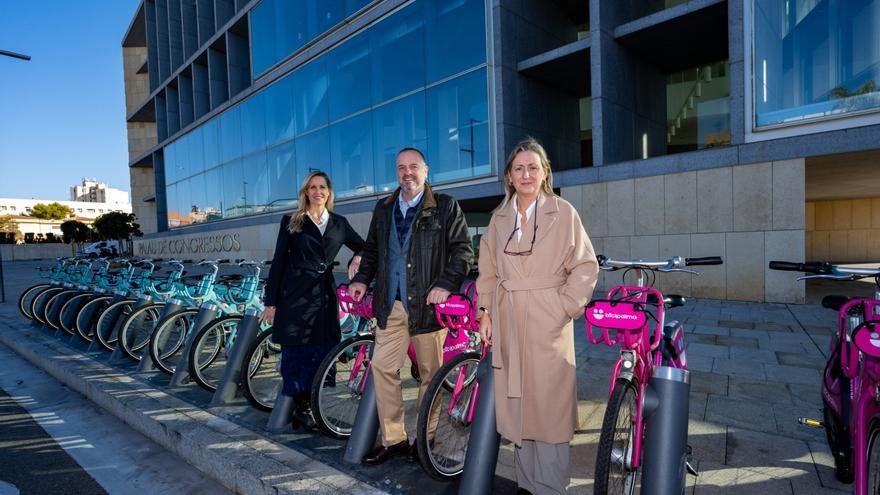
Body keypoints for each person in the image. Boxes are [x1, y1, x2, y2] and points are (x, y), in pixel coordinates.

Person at [476, 138, 599, 494]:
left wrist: (564, 307)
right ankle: (527, 485)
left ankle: (551, 487)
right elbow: (487, 272)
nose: (526, 174)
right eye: (519, 168)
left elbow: (585, 266)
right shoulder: (499, 219)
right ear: (509, 177)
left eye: (533, 167)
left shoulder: (563, 212)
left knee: (550, 408)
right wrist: (485, 312)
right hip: (508, 320)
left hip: (549, 321)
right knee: (517, 408)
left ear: (545, 172)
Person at [349, 147, 473, 464]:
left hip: (429, 310)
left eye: (414, 166)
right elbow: (372, 251)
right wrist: (362, 278)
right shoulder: (384, 208)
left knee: (431, 377)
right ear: (396, 172)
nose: (408, 173)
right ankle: (395, 439)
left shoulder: (445, 207)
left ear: (426, 171)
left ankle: (424, 439)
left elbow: (462, 252)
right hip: (390, 305)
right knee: (382, 369)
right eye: (402, 167)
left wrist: (446, 285)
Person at [261, 171, 365, 430]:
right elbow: (279, 262)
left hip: (323, 294)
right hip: (294, 294)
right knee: (296, 350)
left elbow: (364, 246)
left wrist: (358, 258)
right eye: (312, 187)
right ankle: (302, 407)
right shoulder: (292, 221)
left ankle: (312, 401)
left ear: (329, 192)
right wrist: (270, 302)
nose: (317, 191)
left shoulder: (339, 223)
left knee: (320, 346)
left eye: (322, 187)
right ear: (306, 192)